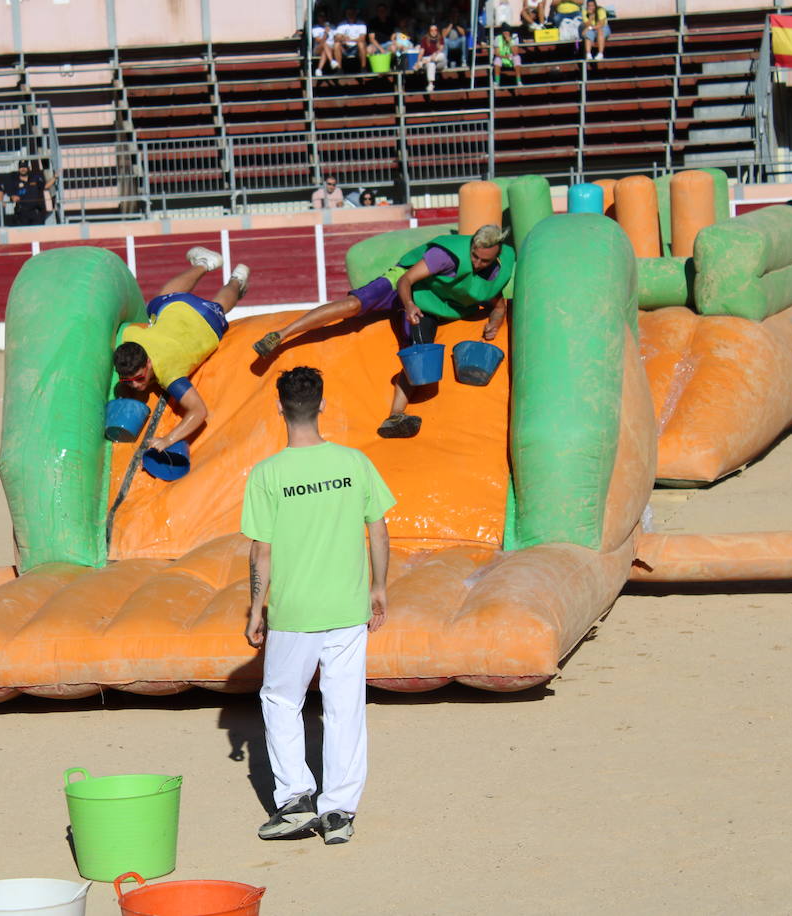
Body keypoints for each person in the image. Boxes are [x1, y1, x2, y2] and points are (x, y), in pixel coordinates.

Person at [241, 366, 394, 845]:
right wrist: (380, 587)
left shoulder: (266, 474)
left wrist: (254, 608)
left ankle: (295, 800)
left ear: (280, 409)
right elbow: (378, 529)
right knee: (345, 706)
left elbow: (260, 550)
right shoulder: (355, 462)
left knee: (280, 699)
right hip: (348, 607)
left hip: (294, 612)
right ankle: (338, 814)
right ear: (322, 405)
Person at [252, 225, 514, 438]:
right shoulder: (446, 256)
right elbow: (406, 280)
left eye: (484, 260)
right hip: (402, 288)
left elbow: (497, 305)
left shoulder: (494, 272)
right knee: (354, 305)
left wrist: (494, 324)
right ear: (471, 246)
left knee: (421, 356)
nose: (478, 263)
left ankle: (395, 415)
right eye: (475, 257)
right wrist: (409, 305)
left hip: (430, 303)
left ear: (497, 254)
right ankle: (282, 334)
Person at [112, 247, 251, 453]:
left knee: (219, 307)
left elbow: (199, 411)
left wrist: (167, 440)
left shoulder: (169, 374)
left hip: (207, 323)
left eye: (140, 378)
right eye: (127, 379)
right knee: (158, 303)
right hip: (178, 306)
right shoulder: (131, 336)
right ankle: (214, 269)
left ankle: (231, 277)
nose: (134, 385)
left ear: (149, 363)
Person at [9, 161, 56, 227]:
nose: (23, 169)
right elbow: (11, 195)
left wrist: (55, 177)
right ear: (18, 169)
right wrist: (13, 197)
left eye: (25, 167)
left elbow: (46, 186)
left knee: (39, 233)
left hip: (36, 212)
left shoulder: (35, 179)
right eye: (21, 167)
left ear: (28, 168)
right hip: (22, 214)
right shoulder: (14, 182)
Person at [414, 23, 445, 90]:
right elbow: (421, 52)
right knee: (431, 64)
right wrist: (418, 61)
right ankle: (430, 84)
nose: (434, 32)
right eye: (432, 30)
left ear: (437, 31)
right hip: (428, 59)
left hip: (437, 59)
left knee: (442, 55)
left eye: (435, 30)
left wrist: (434, 54)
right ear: (429, 31)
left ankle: (423, 62)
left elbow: (441, 49)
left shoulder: (440, 38)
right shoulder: (424, 39)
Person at [312, 11, 343, 75]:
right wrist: (326, 33)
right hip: (318, 48)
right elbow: (319, 41)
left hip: (330, 49)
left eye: (324, 16)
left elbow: (336, 38)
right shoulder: (315, 28)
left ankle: (319, 69)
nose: (323, 18)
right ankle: (331, 61)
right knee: (324, 43)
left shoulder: (332, 27)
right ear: (318, 18)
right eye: (321, 16)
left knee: (325, 51)